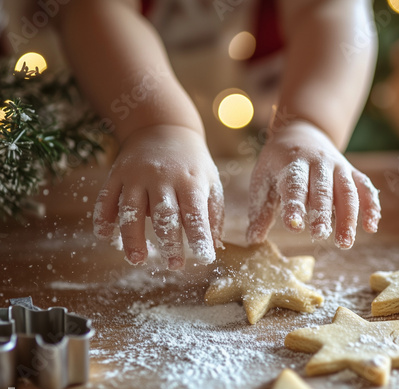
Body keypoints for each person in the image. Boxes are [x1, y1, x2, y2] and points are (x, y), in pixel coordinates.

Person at [53, 0, 380, 269]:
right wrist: (155, 125)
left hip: (245, 110)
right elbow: (93, 9)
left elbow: (330, 9)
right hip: (105, 118)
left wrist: (310, 124)